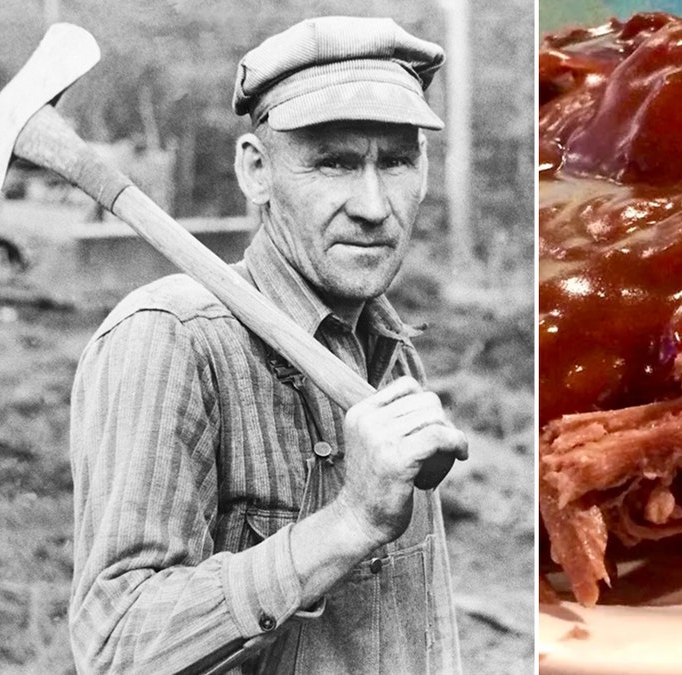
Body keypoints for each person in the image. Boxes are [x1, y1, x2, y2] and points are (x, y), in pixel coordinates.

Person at [68, 16, 467, 674]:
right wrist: (349, 523)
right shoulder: (172, 339)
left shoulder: (387, 348)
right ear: (256, 170)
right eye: (335, 161)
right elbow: (114, 646)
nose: (373, 204)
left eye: (394, 160)